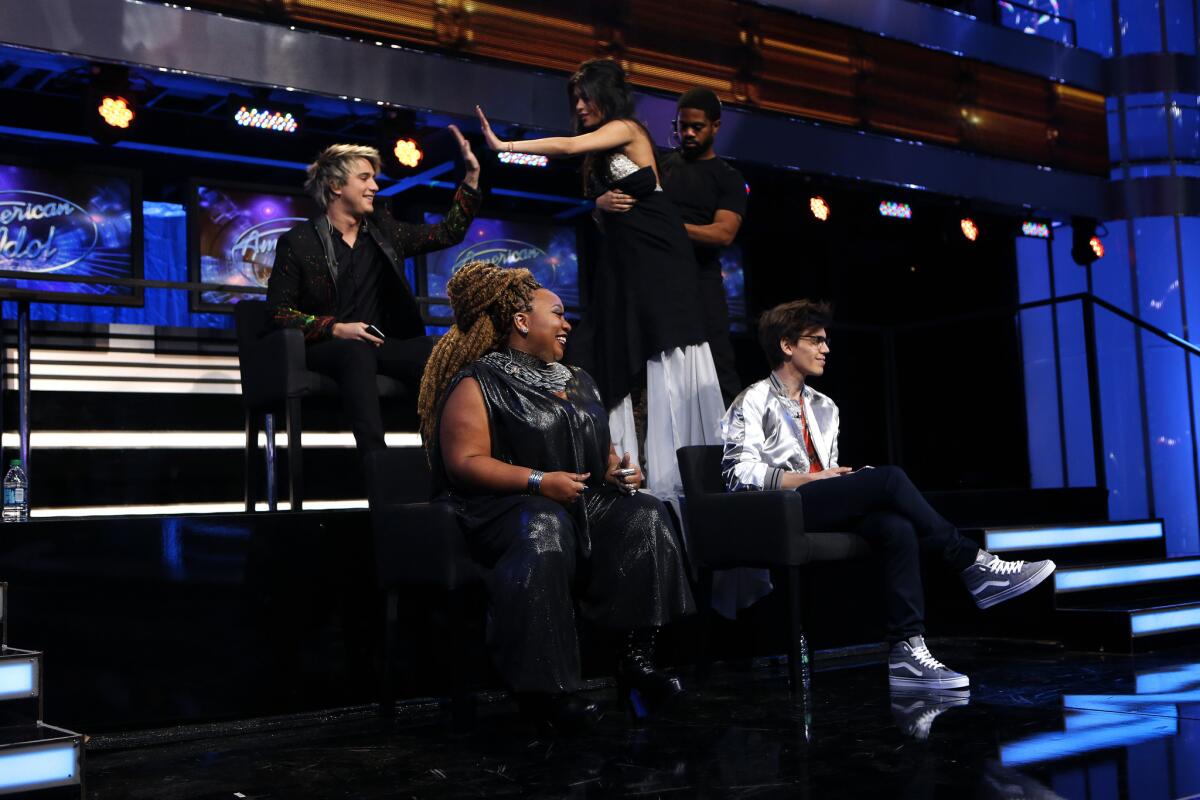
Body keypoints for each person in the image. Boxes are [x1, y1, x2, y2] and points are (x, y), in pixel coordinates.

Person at [417, 260, 696, 732]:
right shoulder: (477, 381)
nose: (567, 324)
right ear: (522, 322)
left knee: (645, 513)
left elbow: (601, 452)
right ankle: (544, 693)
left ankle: (635, 662)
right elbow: (464, 463)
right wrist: (538, 481)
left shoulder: (577, 380)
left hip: (575, 501)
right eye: (558, 313)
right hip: (499, 509)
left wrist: (620, 470)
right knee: (543, 524)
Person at [721, 299, 1056, 690]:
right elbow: (737, 474)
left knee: (896, 526)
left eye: (826, 341)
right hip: (781, 509)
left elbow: (828, 471)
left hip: (819, 503)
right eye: (816, 340)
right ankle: (973, 563)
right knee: (891, 479)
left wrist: (840, 481)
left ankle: (907, 652)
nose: (826, 349)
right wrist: (809, 481)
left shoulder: (826, 407)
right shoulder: (753, 400)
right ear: (786, 345)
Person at [474, 59, 725, 503]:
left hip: (659, 260)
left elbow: (569, 145)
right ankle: (628, 470)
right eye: (575, 98)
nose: (579, 104)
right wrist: (600, 206)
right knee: (612, 348)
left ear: (606, 97)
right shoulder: (601, 155)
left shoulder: (627, 129)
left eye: (587, 96)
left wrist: (505, 142)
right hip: (625, 261)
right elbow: (605, 207)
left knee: (659, 347)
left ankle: (678, 482)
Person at [265, 131, 481, 454]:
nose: (375, 187)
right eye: (364, 178)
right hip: (328, 347)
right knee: (355, 352)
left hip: (378, 344)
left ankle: (443, 462)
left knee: (435, 349)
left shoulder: (385, 232)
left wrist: (472, 177)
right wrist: (335, 328)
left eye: (374, 178)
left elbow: (448, 232)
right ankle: (377, 466)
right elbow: (279, 313)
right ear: (337, 187)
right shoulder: (299, 242)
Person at [597, 87, 746, 405]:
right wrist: (601, 203)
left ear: (716, 126)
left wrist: (668, 229)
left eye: (697, 127)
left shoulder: (727, 178)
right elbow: (625, 209)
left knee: (718, 370)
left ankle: (735, 452)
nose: (687, 133)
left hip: (701, 284)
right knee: (648, 364)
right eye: (682, 126)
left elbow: (723, 234)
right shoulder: (661, 164)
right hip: (656, 281)